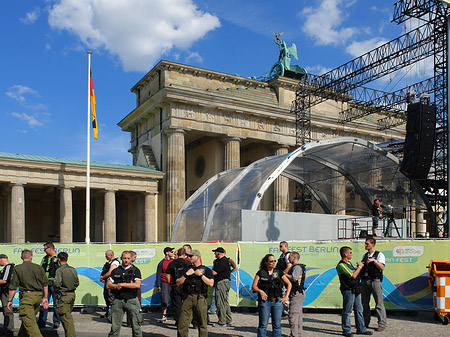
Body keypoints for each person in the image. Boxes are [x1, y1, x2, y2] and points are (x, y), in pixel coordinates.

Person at [7, 249, 49, 337]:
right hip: (38, 296)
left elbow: (13, 287)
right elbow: (45, 284)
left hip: (27, 297)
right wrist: (45, 297)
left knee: (30, 325)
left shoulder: (18, 268)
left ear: (22, 257)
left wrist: (10, 300)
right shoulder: (39, 268)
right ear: (31, 257)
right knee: (27, 321)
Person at [252, 254, 291, 337]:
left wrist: (286, 296)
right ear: (266, 262)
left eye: (274, 261)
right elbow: (254, 286)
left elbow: (289, 284)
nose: (273, 263)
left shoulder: (279, 272)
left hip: (277, 301)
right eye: (271, 261)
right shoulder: (261, 273)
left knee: (277, 325)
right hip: (265, 301)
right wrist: (260, 291)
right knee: (263, 324)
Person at [176, 249, 214, 337]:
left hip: (200, 298)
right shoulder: (186, 269)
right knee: (183, 323)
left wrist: (201, 275)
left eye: (191, 256)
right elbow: (178, 282)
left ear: (197, 257)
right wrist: (186, 275)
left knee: (202, 322)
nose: (189, 258)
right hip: (188, 297)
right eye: (188, 256)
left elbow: (211, 283)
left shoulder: (206, 270)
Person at [336, 246, 372, 337]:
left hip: (356, 289)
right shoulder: (341, 265)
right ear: (345, 254)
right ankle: (346, 330)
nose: (352, 254)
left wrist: (360, 266)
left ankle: (361, 328)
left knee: (359, 309)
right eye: (350, 252)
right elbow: (353, 275)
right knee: (347, 311)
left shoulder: (349, 263)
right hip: (348, 290)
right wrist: (359, 267)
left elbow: (356, 272)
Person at [106, 251, 142, 337]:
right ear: (121, 258)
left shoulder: (135, 270)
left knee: (136, 327)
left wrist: (122, 284)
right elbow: (108, 285)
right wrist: (116, 286)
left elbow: (137, 284)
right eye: (124, 258)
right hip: (118, 300)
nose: (126, 260)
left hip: (131, 300)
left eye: (128, 258)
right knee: (115, 328)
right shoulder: (116, 271)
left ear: (131, 259)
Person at [361, 237, 387, 331]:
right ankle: (365, 322)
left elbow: (382, 267)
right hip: (365, 280)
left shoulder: (379, 255)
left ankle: (382, 323)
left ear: (372, 244)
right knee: (365, 303)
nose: (365, 245)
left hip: (375, 281)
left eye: (367, 244)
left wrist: (374, 261)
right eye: (365, 243)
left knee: (379, 303)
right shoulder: (365, 255)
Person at [54, 252, 79, 337]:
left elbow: (57, 284)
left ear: (59, 260)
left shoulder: (60, 270)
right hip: (72, 294)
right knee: (68, 315)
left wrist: (56, 290)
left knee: (65, 318)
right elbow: (77, 283)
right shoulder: (73, 269)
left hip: (64, 295)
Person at [38, 242, 61, 329]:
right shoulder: (44, 258)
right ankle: (42, 321)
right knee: (44, 302)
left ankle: (56, 321)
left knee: (56, 303)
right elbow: (41, 269)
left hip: (54, 284)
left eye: (45, 249)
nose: (44, 251)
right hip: (45, 283)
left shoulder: (58, 258)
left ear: (50, 248)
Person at [166, 247, 191, 325]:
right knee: (188, 304)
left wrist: (170, 283)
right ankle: (192, 321)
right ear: (184, 254)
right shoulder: (188, 263)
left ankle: (178, 321)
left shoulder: (172, 263)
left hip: (175, 285)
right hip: (186, 286)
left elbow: (167, 275)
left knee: (177, 305)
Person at [212, 247, 236, 327]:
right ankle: (228, 319)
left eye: (215, 252)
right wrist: (229, 273)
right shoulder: (226, 260)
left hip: (221, 282)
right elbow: (235, 267)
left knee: (220, 302)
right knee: (225, 301)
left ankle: (222, 321)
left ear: (218, 253)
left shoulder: (221, 262)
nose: (214, 254)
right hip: (226, 281)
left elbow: (215, 272)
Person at [285, 252, 306, 337]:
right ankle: (298, 333)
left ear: (294, 258)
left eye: (289, 257)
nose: (288, 259)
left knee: (293, 315)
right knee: (298, 315)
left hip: (296, 293)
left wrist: (285, 274)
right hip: (299, 292)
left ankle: (294, 334)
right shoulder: (301, 267)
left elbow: (294, 278)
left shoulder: (296, 267)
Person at [155, 247, 174, 322]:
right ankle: (164, 315)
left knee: (175, 299)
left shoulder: (173, 262)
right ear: (167, 253)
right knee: (164, 299)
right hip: (164, 283)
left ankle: (174, 314)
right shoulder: (161, 263)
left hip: (173, 283)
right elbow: (158, 274)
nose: (172, 253)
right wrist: (158, 285)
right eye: (171, 251)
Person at [100, 249, 120, 321]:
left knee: (111, 298)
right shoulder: (109, 262)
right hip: (107, 281)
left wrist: (103, 277)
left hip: (112, 283)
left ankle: (113, 315)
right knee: (107, 297)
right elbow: (105, 271)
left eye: (106, 255)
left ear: (111, 255)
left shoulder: (115, 262)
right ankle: (108, 313)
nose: (105, 256)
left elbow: (110, 272)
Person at [0, 254, 14, 336]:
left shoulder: (9, 267)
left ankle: (9, 330)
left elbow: (5, 280)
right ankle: (6, 329)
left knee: (7, 310)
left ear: (2, 259)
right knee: (5, 311)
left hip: (6, 291)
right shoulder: (5, 268)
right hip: (4, 291)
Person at [276, 241, 292, 315]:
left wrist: (282, 274)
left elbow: (289, 267)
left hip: (285, 278)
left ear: (285, 246)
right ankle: (283, 310)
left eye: (281, 246)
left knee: (285, 292)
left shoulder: (287, 255)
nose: (279, 248)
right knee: (282, 292)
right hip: (281, 278)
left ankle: (286, 311)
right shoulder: (282, 255)